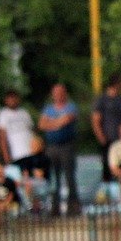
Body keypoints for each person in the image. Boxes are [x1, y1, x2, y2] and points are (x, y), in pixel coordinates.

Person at [37, 83, 80, 213]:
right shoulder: (48, 108)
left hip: (67, 146)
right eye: (56, 93)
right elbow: (42, 124)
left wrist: (51, 122)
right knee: (53, 177)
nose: (58, 95)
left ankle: (73, 206)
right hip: (52, 147)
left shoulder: (71, 107)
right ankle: (54, 207)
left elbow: (66, 120)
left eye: (61, 92)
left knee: (69, 176)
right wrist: (57, 123)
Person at [91, 74, 121, 181]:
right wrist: (101, 138)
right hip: (108, 138)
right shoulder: (102, 100)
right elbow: (96, 120)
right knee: (108, 167)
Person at [0, 89, 35, 166]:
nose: (13, 101)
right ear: (6, 100)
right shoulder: (3, 114)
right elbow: (2, 137)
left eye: (14, 98)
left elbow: (32, 131)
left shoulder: (24, 113)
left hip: (31, 152)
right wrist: (6, 156)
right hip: (16, 154)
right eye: (10, 99)